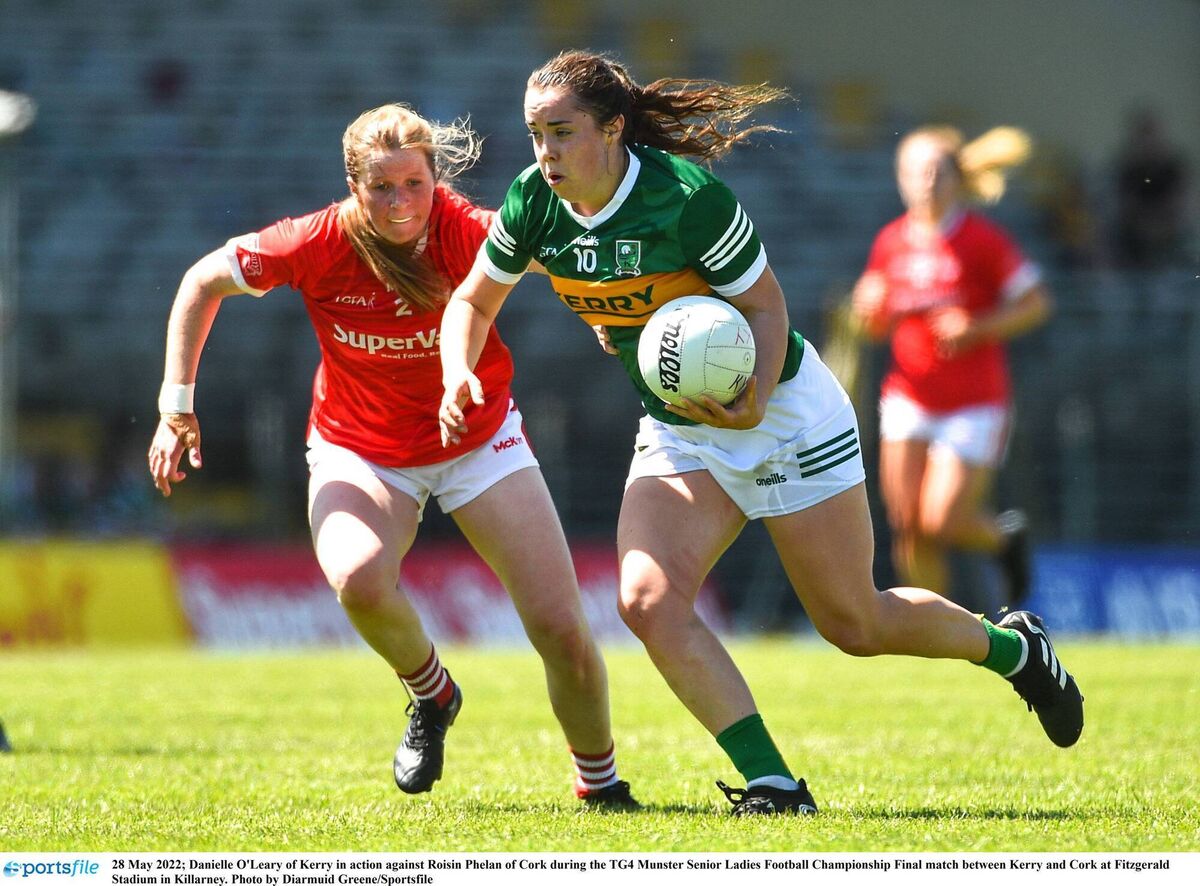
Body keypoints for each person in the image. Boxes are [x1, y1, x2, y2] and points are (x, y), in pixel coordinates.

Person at [437, 51, 1083, 816]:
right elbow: (473, 303)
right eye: (535, 134)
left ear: (613, 129)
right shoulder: (532, 204)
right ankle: (774, 783)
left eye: (561, 132)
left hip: (780, 413)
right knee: (647, 601)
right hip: (683, 429)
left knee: (854, 622)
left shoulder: (686, 199)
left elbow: (768, 309)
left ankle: (1016, 649)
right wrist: (456, 373)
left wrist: (751, 398)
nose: (544, 152)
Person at [147, 104, 636, 807]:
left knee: (560, 626)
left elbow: (568, 253)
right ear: (353, 186)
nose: (401, 204)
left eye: (415, 184)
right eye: (382, 188)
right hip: (360, 448)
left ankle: (602, 786)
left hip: (478, 438)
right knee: (358, 579)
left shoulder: (468, 229)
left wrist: (606, 312)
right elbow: (201, 283)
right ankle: (432, 697)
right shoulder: (311, 241)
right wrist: (175, 405)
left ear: (436, 178)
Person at [850, 126, 1053, 608]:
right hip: (909, 396)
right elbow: (875, 324)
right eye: (915, 172)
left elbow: (1036, 303)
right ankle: (935, 631)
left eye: (937, 171)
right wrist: (867, 309)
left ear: (957, 179)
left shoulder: (982, 239)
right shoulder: (890, 242)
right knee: (907, 523)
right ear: (900, 179)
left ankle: (1006, 542)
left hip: (974, 400)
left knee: (941, 519)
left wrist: (977, 327)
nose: (926, 181)